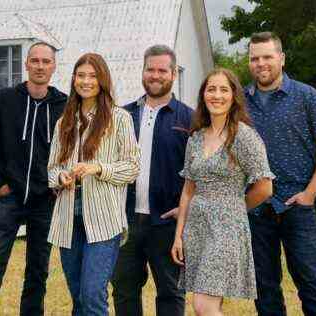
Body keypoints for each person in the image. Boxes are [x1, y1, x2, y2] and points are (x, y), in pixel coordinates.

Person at [244, 31, 316, 316]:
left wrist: (310, 194)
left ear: (282, 59)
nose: (261, 64)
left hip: (296, 204)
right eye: (254, 58)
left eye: (267, 57)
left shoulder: (307, 96)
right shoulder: (239, 101)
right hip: (256, 208)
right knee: (264, 287)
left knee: (310, 282)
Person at [0, 42, 67, 316]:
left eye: (46, 62)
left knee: (38, 270)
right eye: (35, 60)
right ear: (26, 64)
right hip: (9, 197)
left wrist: (57, 182)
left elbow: (72, 149)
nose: (40, 66)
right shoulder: (4, 99)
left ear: (53, 66)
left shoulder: (64, 105)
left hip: (45, 200)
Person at [171, 68, 275, 316]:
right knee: (207, 306)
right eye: (211, 89)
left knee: (202, 305)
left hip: (226, 229)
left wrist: (234, 208)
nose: (216, 95)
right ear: (203, 96)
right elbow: (188, 190)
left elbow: (265, 188)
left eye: (223, 89)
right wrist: (178, 235)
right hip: (197, 228)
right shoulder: (195, 138)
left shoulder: (244, 137)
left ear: (234, 96)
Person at [47, 52, 140, 316]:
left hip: (103, 219)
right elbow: (52, 169)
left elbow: (133, 168)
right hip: (68, 218)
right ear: (74, 79)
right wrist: (61, 177)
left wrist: (98, 167)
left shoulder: (119, 118)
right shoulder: (63, 122)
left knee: (92, 295)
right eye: (81, 75)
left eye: (92, 76)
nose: (86, 81)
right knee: (78, 296)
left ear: (102, 80)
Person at [112, 44, 191, 316]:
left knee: (170, 292)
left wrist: (186, 208)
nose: (155, 75)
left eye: (162, 70)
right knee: (124, 290)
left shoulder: (189, 119)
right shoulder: (122, 115)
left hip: (168, 223)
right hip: (125, 221)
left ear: (173, 74)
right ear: (143, 71)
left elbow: (202, 173)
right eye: (150, 69)